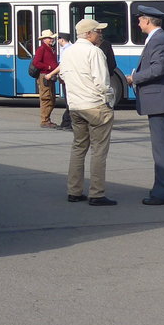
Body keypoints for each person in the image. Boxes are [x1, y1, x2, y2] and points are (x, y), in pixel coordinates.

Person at [126, 5, 164, 205]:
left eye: (140, 19)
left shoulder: (157, 40)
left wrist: (134, 78)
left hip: (159, 100)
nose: (138, 22)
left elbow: (158, 69)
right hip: (163, 99)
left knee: (161, 148)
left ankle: (162, 193)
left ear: (148, 21)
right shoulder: (162, 39)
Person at [59, 18, 116, 206]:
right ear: (89, 34)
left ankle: (73, 191)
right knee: (99, 150)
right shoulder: (95, 52)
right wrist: (109, 99)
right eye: (98, 31)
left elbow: (63, 75)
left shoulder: (68, 52)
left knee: (78, 147)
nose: (101, 34)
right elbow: (102, 82)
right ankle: (97, 193)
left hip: (75, 105)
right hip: (95, 105)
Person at [31, 29, 60, 128]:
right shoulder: (42, 49)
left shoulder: (50, 48)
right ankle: (45, 120)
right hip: (45, 76)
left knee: (51, 98)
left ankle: (47, 119)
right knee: (46, 98)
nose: (52, 39)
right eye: (50, 38)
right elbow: (36, 62)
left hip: (50, 76)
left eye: (52, 38)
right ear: (44, 39)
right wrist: (48, 67)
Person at [52, 32, 73, 130]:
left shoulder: (67, 50)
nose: (57, 41)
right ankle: (66, 122)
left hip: (68, 79)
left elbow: (62, 66)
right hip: (67, 78)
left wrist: (51, 74)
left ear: (62, 39)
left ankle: (68, 123)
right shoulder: (67, 49)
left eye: (58, 39)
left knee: (69, 101)